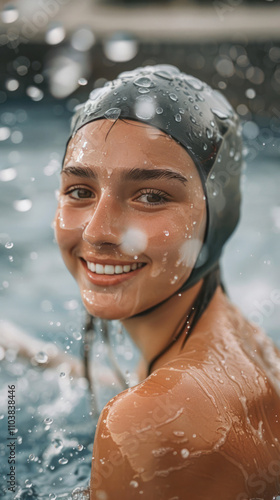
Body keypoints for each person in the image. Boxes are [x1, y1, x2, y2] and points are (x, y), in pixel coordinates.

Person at [54, 65, 280, 500]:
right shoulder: (242, 345)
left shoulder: (148, 421)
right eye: (80, 190)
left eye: (151, 196)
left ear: (218, 213)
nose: (97, 231)